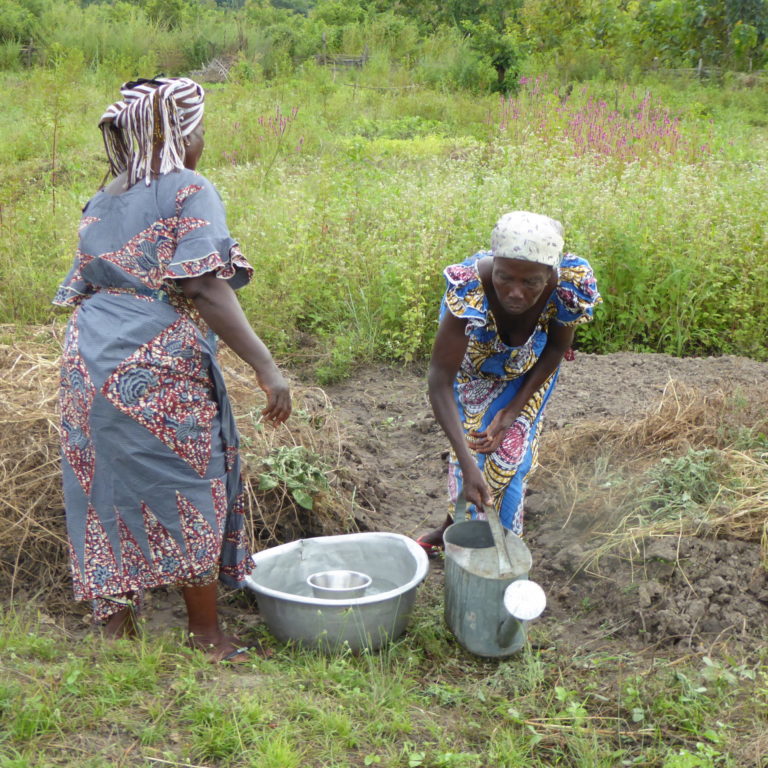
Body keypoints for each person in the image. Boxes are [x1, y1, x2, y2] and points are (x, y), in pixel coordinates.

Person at [53, 76, 291, 662]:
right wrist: (266, 367)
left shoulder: (103, 197)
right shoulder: (187, 189)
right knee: (191, 481)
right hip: (153, 362)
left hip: (87, 358)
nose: (203, 139)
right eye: (200, 127)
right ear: (179, 132)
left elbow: (90, 281)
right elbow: (203, 285)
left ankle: (118, 632)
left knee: (100, 484)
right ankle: (205, 633)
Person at [418, 211, 600, 552]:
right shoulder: (468, 289)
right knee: (472, 461)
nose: (515, 292)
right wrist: (466, 462)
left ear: (550, 274)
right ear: (494, 264)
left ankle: (502, 551)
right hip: (472, 377)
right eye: (505, 277)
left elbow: (558, 348)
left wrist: (514, 410)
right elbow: (439, 380)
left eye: (531, 282)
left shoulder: (567, 286)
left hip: (529, 373)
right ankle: (452, 528)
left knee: (510, 461)